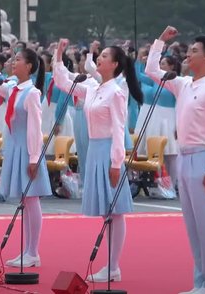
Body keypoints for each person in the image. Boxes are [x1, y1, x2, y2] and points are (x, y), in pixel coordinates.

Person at [54, 38, 143, 282]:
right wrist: (58, 54)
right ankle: (110, 265)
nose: (98, 59)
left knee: (115, 211)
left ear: (114, 64)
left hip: (107, 151)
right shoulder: (93, 87)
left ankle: (113, 266)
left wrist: (116, 163)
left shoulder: (115, 92)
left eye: (103, 56)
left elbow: (118, 129)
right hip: (94, 150)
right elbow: (62, 81)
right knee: (107, 210)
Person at [145, 26, 205, 294]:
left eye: (194, 51)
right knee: (192, 228)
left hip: (203, 159)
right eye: (189, 50)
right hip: (184, 158)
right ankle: (200, 282)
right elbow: (151, 71)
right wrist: (160, 42)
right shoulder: (182, 84)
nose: (188, 55)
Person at [0, 38, 51, 267]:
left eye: (17, 59)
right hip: (15, 146)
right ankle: (27, 250)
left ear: (29, 66)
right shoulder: (12, 88)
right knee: (24, 201)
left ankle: (33, 251)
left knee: (31, 199)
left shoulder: (32, 93)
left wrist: (34, 157)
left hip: (27, 150)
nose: (12, 62)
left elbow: (35, 129)